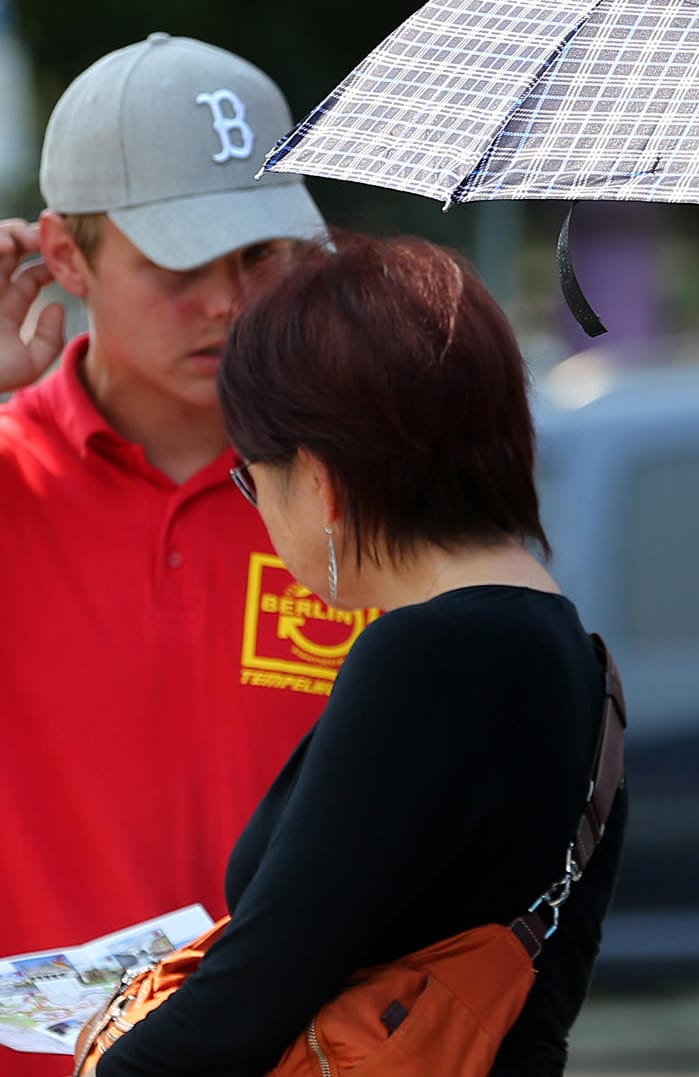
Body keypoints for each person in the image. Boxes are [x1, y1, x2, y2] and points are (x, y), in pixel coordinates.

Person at [95, 233, 627, 1076]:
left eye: (252, 478)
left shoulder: (428, 655)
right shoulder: (578, 661)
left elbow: (241, 1008)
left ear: (320, 479)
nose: (258, 511)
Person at [0, 36, 346, 1077]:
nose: (229, 300)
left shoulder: (372, 485)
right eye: (182, 261)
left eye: (261, 253)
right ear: (64, 256)